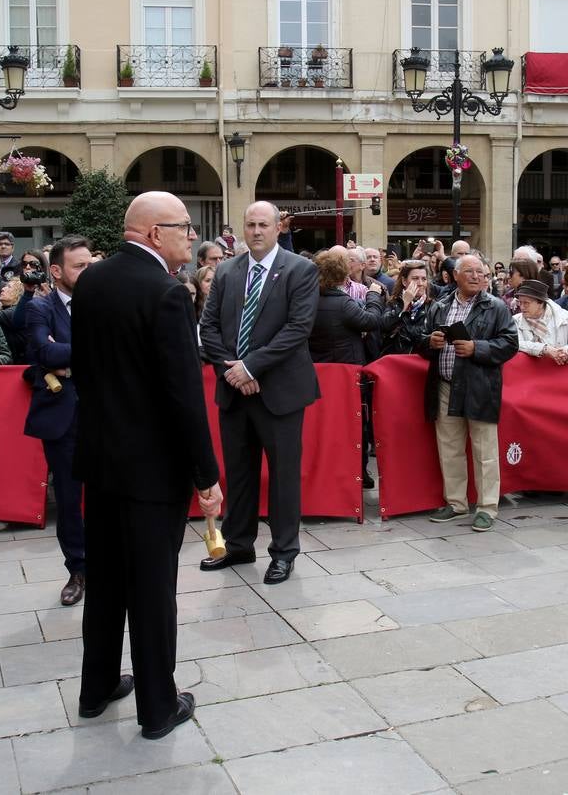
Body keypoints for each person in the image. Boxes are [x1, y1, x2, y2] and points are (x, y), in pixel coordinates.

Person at [71, 191, 223, 740]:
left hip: (101, 459)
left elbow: (86, 369)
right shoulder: (166, 292)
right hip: (152, 468)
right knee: (153, 590)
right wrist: (206, 475)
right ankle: (158, 707)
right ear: (156, 233)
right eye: (185, 226)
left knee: (106, 581)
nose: (192, 235)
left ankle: (96, 688)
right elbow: (184, 394)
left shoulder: (92, 279)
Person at [199, 201, 319, 585]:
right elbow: (208, 327)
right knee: (238, 473)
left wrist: (250, 367)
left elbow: (298, 328)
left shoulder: (300, 270)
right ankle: (238, 545)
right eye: (250, 224)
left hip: (279, 393)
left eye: (263, 225)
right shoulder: (227, 271)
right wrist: (233, 371)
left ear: (278, 227)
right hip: (234, 392)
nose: (255, 231)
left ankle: (284, 553)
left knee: (283, 477)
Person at [416, 254, 519, 532]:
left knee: (485, 450)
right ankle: (456, 503)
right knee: (449, 448)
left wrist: (477, 348)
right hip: (445, 385)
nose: (476, 276)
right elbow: (421, 340)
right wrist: (430, 342)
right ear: (455, 276)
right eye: (470, 271)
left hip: (479, 386)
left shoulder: (495, 306)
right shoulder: (440, 306)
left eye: (480, 272)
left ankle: (487, 507)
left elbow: (510, 343)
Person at [24, 236, 94, 606]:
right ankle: (78, 569)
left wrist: (67, 357)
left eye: (90, 265)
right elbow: (43, 352)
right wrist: (93, 348)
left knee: (107, 494)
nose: (88, 272)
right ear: (56, 271)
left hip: (103, 412)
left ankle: (108, 563)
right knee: (68, 497)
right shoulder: (40, 307)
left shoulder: (102, 302)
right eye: (79, 266)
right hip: (63, 416)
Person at [308, 249, 384, 364]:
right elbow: (371, 321)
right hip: (344, 365)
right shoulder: (342, 303)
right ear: (342, 275)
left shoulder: (309, 299)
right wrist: (373, 294)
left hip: (316, 364)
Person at [512, 279, 568, 365]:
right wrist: (544, 349)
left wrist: (567, 352)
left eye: (526, 303)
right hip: (530, 371)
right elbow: (516, 343)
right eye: (520, 302)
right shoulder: (515, 321)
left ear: (540, 303)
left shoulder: (563, 316)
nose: (522, 307)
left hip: (559, 369)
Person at [381, 259, 433, 355]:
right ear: (404, 281)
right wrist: (404, 304)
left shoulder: (432, 306)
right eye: (415, 278)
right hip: (394, 358)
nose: (420, 283)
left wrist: (402, 330)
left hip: (419, 359)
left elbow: (423, 336)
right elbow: (384, 326)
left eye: (424, 279)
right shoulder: (393, 302)